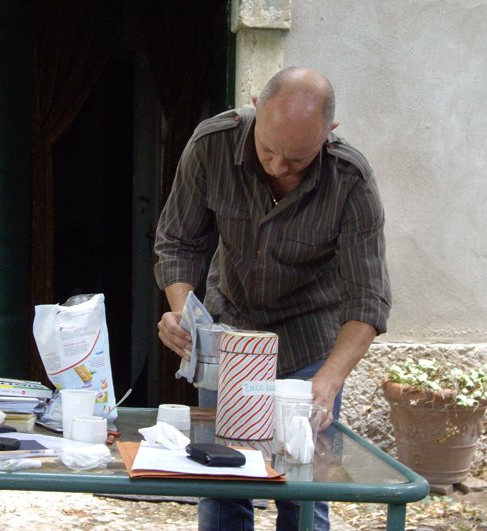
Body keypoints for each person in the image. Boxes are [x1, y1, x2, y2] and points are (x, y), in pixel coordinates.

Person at [153, 66, 391, 531]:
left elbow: (369, 298)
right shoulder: (211, 145)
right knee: (223, 484)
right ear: (256, 107)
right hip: (229, 339)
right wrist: (183, 312)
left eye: (297, 159)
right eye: (267, 150)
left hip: (308, 344)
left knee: (302, 491)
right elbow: (178, 241)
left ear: (329, 132)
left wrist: (329, 380)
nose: (278, 167)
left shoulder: (351, 180)